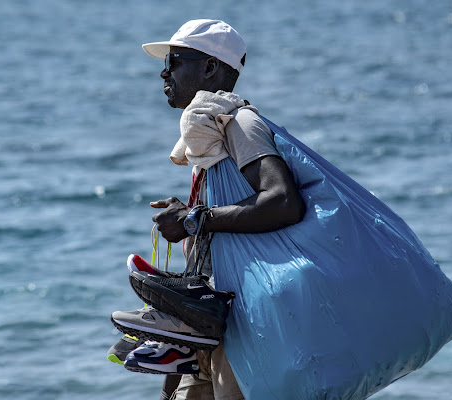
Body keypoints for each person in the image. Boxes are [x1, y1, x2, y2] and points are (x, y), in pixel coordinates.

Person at [141, 19, 304, 400]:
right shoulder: (209, 138)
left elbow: (282, 200)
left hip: (243, 331)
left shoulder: (239, 123)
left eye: (175, 61)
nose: (164, 72)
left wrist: (195, 219)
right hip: (212, 327)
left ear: (211, 67)